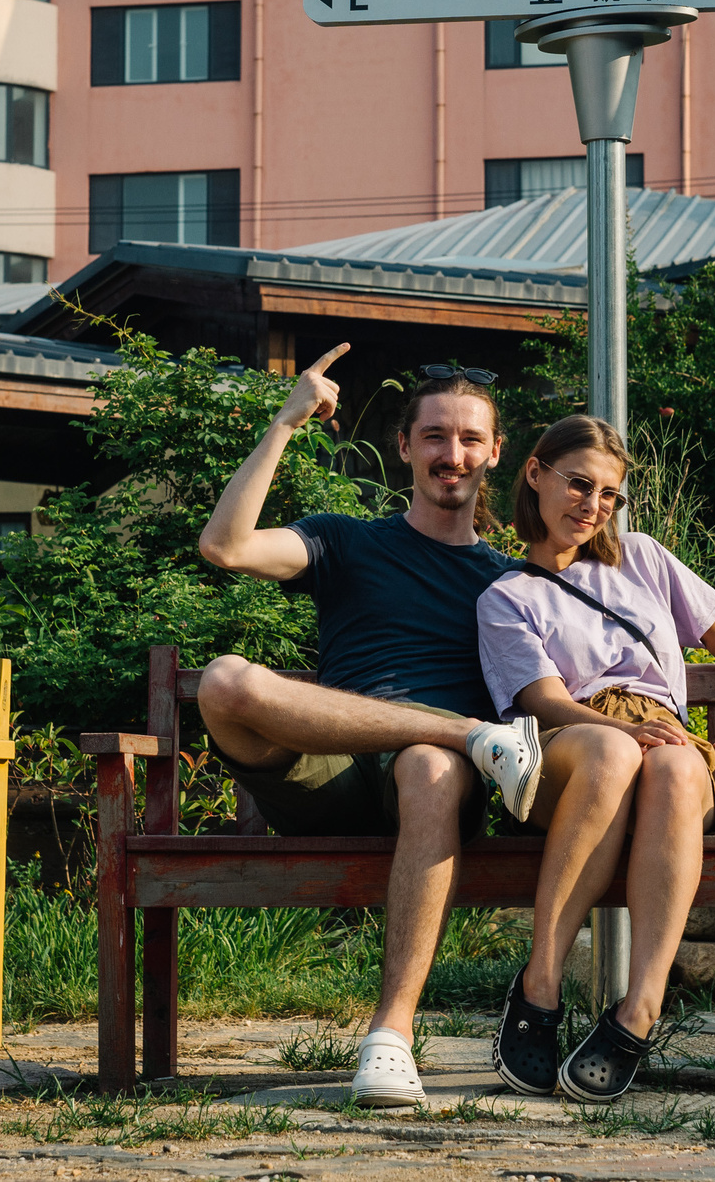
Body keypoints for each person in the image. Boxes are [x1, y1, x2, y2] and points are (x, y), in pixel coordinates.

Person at [475, 413, 715, 1103]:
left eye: (608, 494)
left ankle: (641, 1007)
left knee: (680, 764)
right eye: (577, 483)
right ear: (534, 473)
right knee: (614, 753)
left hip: (665, 743)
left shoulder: (644, 560)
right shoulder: (507, 596)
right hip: (574, 740)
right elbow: (539, 701)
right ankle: (540, 984)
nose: (591, 505)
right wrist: (617, 730)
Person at [197, 346, 543, 1108]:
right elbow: (223, 547)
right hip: (333, 765)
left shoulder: (513, 582)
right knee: (224, 680)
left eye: (468, 440)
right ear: (404, 447)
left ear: (494, 454)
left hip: (431, 790)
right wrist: (286, 422)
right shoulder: (346, 540)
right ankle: (464, 734)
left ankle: (389, 1038)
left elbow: (625, 648)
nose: (451, 455)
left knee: (428, 764)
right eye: (434, 437)